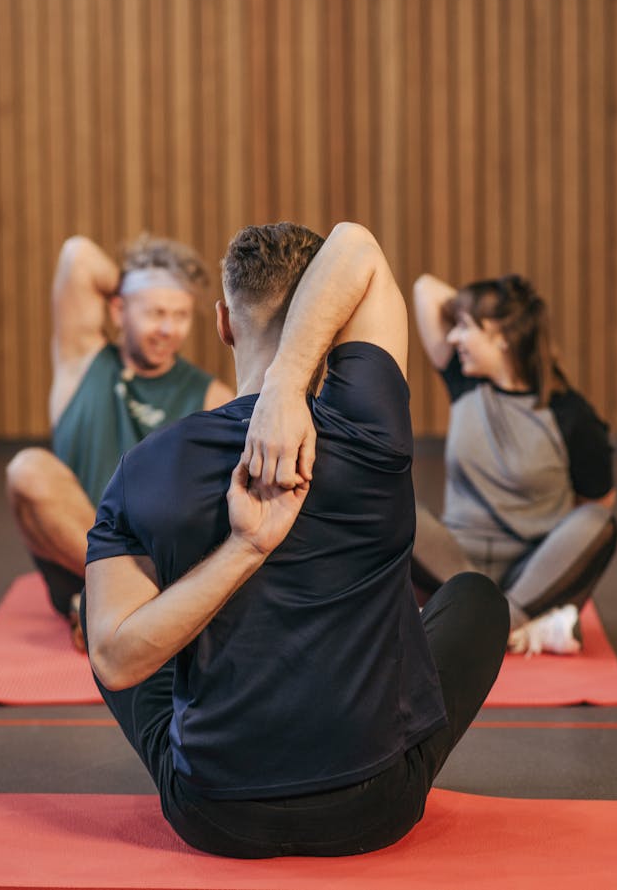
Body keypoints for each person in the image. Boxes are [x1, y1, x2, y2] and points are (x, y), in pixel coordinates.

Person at [83, 221, 509, 858]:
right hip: (374, 807)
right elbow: (358, 245)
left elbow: (115, 663)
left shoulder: (146, 465)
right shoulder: (372, 429)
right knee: (475, 597)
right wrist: (286, 395)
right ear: (338, 327)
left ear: (224, 322)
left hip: (214, 816)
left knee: (106, 614)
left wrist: (240, 553)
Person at [6, 234, 234, 647]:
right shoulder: (82, 360)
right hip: (76, 562)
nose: (168, 329)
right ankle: (122, 604)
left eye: (181, 315)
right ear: (118, 309)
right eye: (155, 312)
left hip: (154, 566)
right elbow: (77, 254)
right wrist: (142, 283)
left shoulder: (211, 396)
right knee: (27, 468)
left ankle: (105, 607)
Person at [412, 271, 617, 656]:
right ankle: (521, 628)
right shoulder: (465, 382)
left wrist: (551, 560)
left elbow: (598, 504)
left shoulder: (571, 415)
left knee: (600, 525)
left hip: (532, 569)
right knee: (392, 505)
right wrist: (495, 311)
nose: (453, 337)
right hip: (456, 562)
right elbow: (425, 288)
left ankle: (489, 621)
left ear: (503, 336)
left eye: (465, 328)